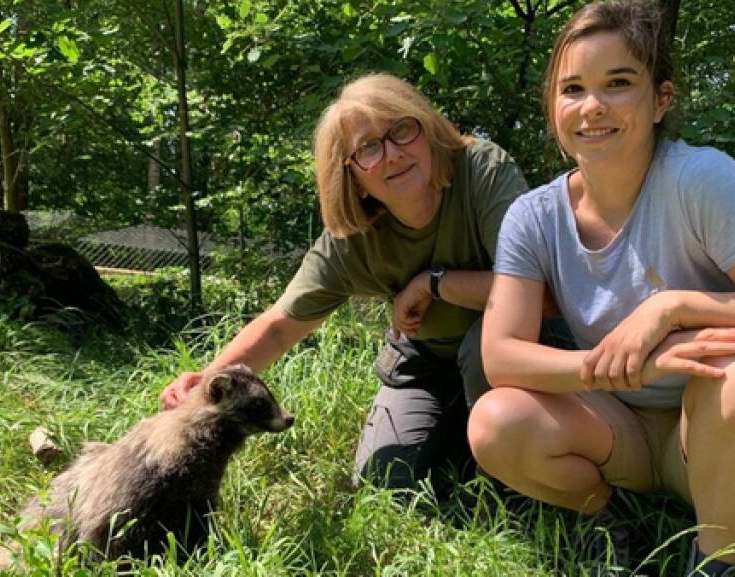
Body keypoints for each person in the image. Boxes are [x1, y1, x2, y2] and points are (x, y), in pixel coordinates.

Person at [467, 1, 735, 575]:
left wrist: (674, 306)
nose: (592, 107)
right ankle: (611, 517)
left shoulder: (700, 180)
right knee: (496, 421)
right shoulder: (533, 216)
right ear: (553, 107)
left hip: (732, 425)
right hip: (621, 431)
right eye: (572, 89)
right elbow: (501, 356)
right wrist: (621, 366)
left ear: (660, 98)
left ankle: (718, 560)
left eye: (618, 83)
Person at [161, 73, 530, 494]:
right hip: (424, 359)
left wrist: (432, 283)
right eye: (369, 148)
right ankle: (462, 435)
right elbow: (281, 325)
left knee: (482, 351)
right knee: (383, 485)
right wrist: (204, 385)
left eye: (402, 130)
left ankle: (510, 475)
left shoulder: (482, 170)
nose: (392, 154)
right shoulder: (350, 240)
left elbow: (535, 289)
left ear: (427, 130)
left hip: (508, 346)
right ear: (351, 174)